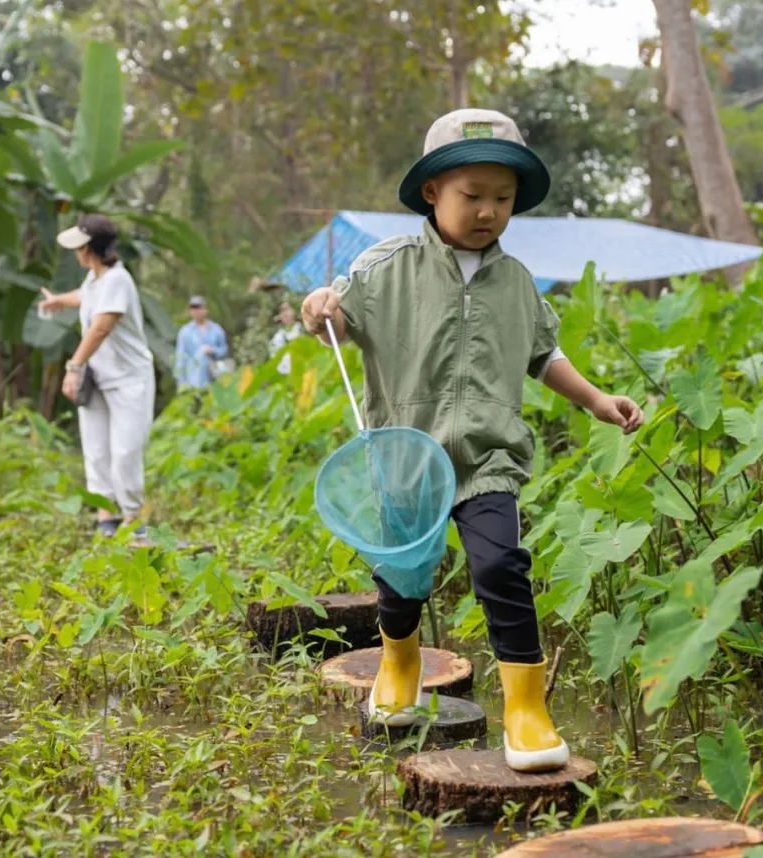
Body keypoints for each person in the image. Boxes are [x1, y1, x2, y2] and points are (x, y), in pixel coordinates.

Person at [302, 108, 643, 772]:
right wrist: (321, 310)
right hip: (408, 459)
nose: (488, 211)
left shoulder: (515, 282)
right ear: (432, 192)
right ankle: (400, 660)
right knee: (404, 580)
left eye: (503, 198)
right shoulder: (387, 267)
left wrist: (598, 399)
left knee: (500, 570)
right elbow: (336, 318)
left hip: (488, 457)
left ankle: (526, 710)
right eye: (472, 195)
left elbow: (543, 354)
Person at [38, 215, 155, 539]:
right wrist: (59, 301)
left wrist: (73, 367)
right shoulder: (95, 279)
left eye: (78, 246)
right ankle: (106, 515)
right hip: (99, 378)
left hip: (129, 379)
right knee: (96, 449)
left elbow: (101, 327)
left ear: (88, 249)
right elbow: (85, 296)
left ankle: (132, 516)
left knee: (125, 451)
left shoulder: (119, 279)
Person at [174, 295, 229, 388]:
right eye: (193, 308)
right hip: (192, 380)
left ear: (206, 310)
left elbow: (224, 350)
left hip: (214, 379)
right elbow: (180, 357)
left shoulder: (216, 330)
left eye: (199, 308)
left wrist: (213, 350)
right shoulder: (185, 332)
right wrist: (181, 382)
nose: (196, 311)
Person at [268, 300, 303, 375]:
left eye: (287, 309)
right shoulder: (277, 338)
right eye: (281, 311)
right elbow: (275, 361)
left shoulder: (305, 329)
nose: (285, 314)